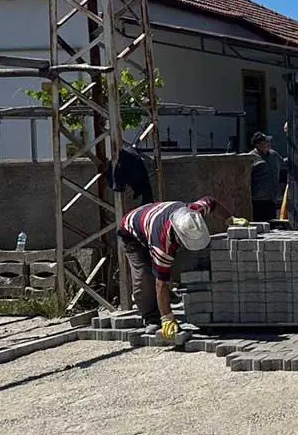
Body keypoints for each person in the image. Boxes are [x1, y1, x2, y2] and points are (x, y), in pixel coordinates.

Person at [119, 196, 237, 339]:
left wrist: (230, 219)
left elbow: (213, 201)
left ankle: (167, 298)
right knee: (144, 278)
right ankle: (151, 317)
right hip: (131, 232)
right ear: (177, 235)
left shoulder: (193, 214)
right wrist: (167, 318)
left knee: (163, 269)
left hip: (154, 217)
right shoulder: (162, 244)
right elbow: (160, 283)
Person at [249, 131, 283, 222]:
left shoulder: (274, 155)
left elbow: (284, 163)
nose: (268, 145)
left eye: (268, 142)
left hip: (272, 198)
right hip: (258, 199)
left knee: (272, 224)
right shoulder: (251, 157)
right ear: (257, 145)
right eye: (264, 143)